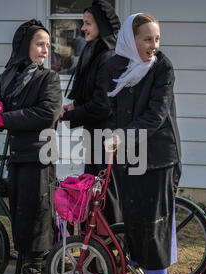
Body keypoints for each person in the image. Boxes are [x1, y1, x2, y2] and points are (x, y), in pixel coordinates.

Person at [104, 13, 182, 274]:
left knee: (155, 218)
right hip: (129, 154)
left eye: (157, 39)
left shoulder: (162, 67)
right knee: (135, 217)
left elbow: (156, 115)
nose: (154, 45)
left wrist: (121, 135)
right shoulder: (114, 66)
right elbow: (109, 108)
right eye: (147, 39)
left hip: (160, 154)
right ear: (130, 39)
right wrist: (112, 134)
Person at [0, 19, 62, 274]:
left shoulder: (48, 78)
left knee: (38, 214)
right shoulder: (8, 77)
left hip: (40, 156)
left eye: (47, 46)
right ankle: (26, 268)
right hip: (18, 155)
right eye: (40, 44)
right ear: (24, 46)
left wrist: (4, 117)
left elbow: (47, 114)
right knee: (21, 212)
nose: (45, 51)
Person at [59, 0, 122, 225]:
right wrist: (74, 107)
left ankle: (105, 252)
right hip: (95, 139)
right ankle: (94, 251)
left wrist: (68, 115)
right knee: (94, 195)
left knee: (104, 199)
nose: (83, 28)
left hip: (105, 141)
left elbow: (102, 105)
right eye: (83, 23)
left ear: (102, 25)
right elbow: (93, 96)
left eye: (88, 23)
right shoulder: (96, 53)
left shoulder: (107, 57)